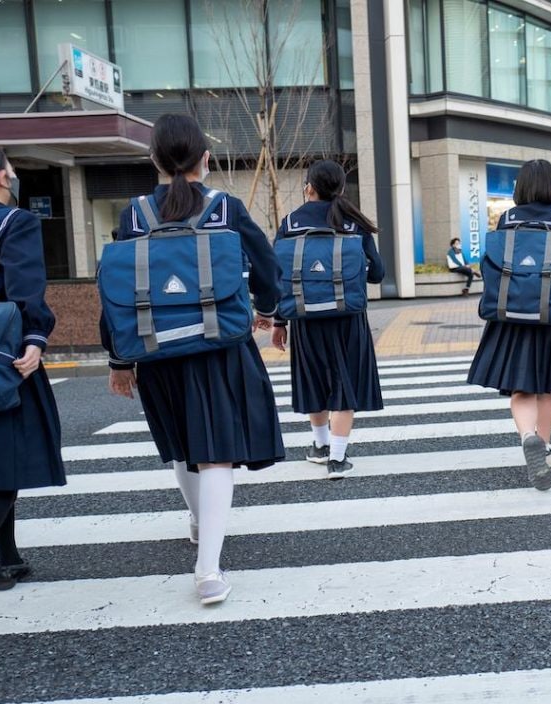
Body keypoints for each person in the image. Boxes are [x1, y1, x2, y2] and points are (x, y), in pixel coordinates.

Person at [102, 113, 284, 605]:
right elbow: (267, 265)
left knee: (182, 446)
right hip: (220, 345)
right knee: (217, 450)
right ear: (206, 158)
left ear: (155, 161)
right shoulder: (225, 207)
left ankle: (200, 523)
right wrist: (267, 312)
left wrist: (120, 361)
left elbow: (115, 292)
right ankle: (208, 571)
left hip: (155, 349)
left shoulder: (134, 214)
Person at [0, 140, 66, 588]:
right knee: (3, 477)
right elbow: (25, 288)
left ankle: (9, 558)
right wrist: (36, 339)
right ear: (1, 176)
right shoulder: (14, 221)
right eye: (10, 166)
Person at [467, 159, 551, 491]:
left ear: (520, 187)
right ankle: (545, 450)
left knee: (522, 386)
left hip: (512, 314)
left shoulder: (508, 219)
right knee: (549, 386)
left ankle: (527, 437)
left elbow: (493, 264)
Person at [271, 160, 384, 479]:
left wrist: (280, 322)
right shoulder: (353, 222)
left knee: (314, 381)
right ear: (342, 188)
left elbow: (279, 276)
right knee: (343, 382)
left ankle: (320, 447)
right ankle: (337, 458)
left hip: (305, 319)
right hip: (348, 318)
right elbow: (377, 273)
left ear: (309, 187)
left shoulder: (290, 222)